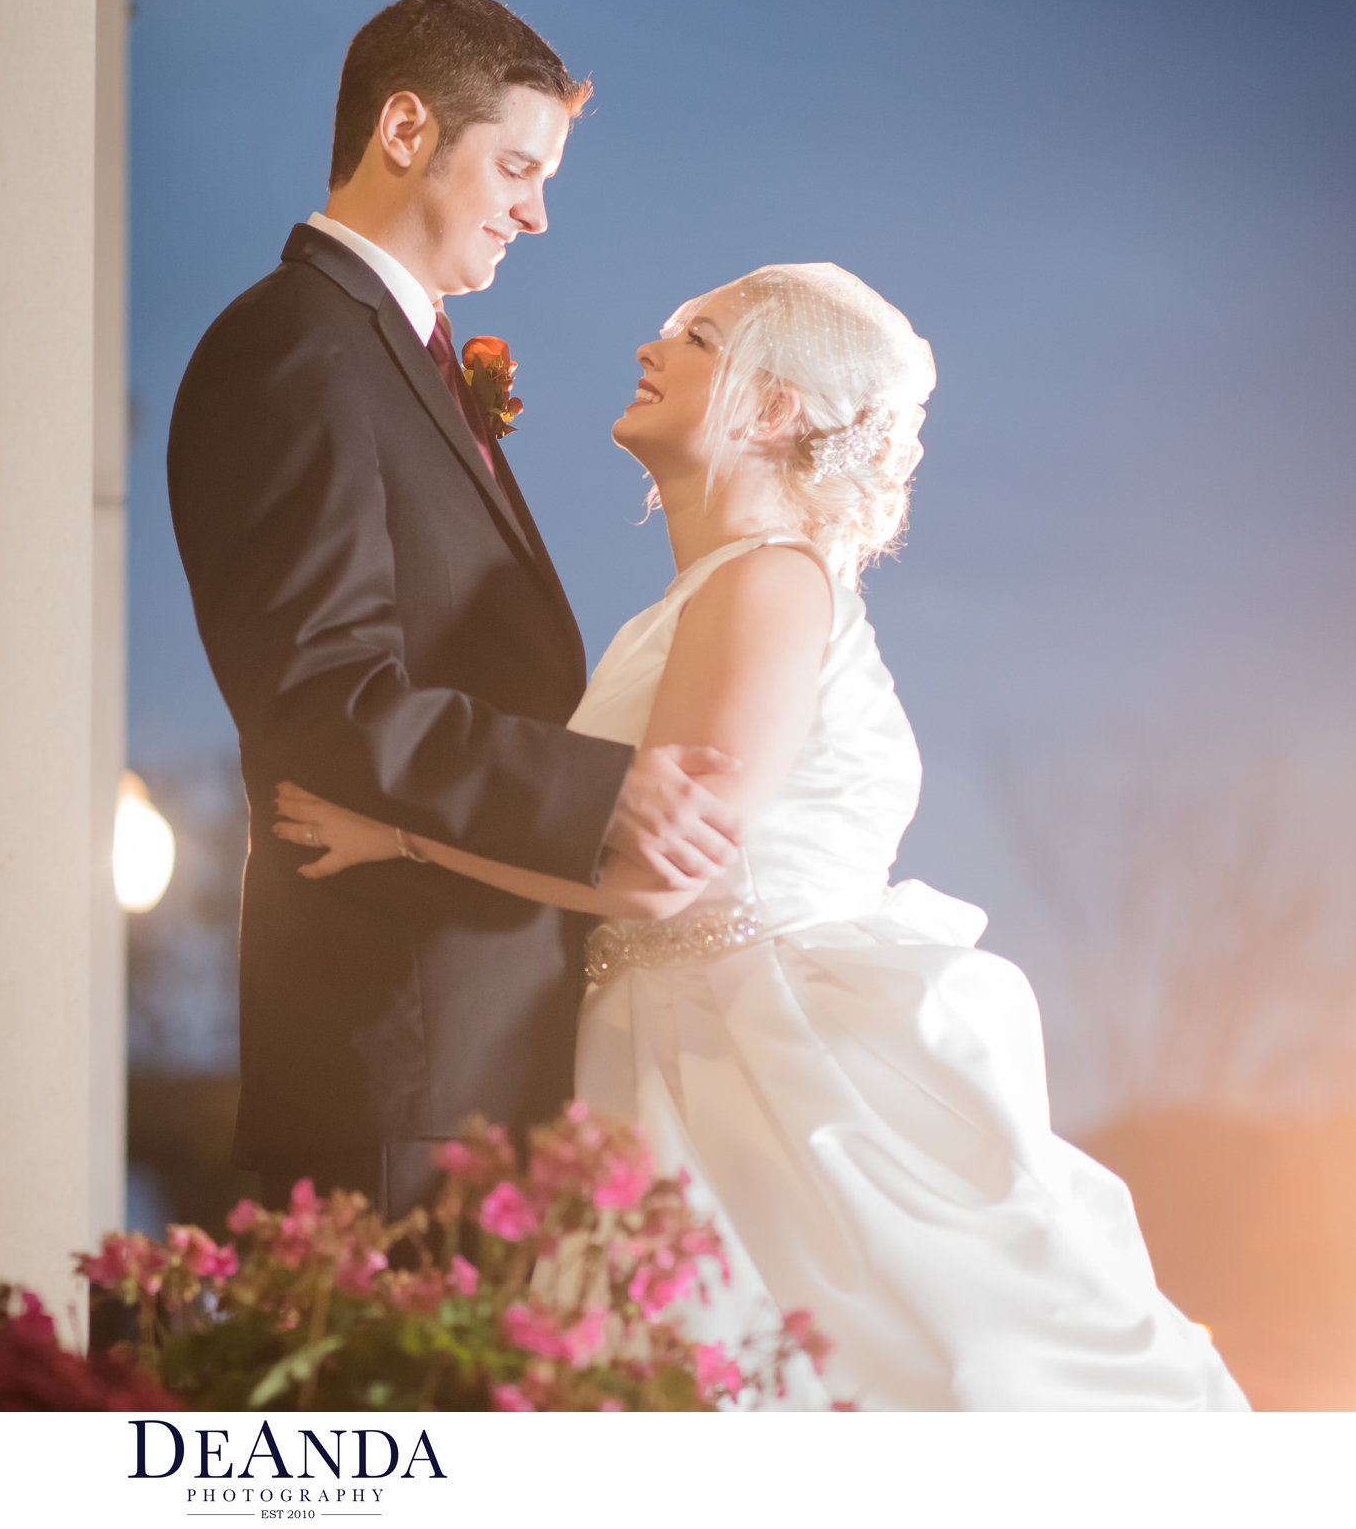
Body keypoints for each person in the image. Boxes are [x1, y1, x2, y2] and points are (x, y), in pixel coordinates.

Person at [274, 264, 1249, 1410]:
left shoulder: (771, 585)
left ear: (775, 408)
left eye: (694, 334)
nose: (652, 344)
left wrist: (405, 843)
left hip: (762, 1072)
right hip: (659, 1057)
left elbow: (650, 875)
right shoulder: (687, 607)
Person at [166, 0, 749, 1225]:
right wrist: (604, 793)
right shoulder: (293, 352)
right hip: (399, 1064)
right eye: (517, 167)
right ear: (405, 127)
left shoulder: (400, 356)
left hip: (486, 1051)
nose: (538, 213)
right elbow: (328, 698)